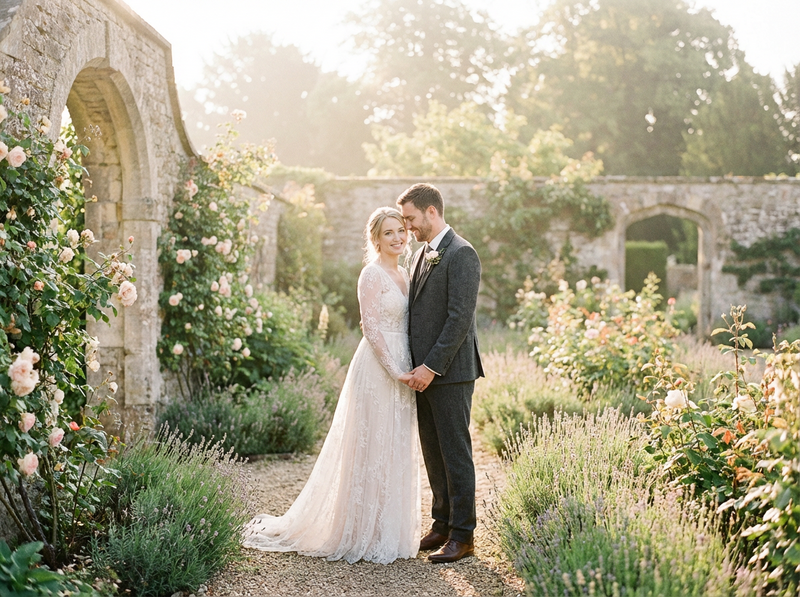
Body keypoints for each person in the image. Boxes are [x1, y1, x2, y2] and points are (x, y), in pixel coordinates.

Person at [242, 207, 421, 565]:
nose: (398, 238)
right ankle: (359, 531)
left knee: (394, 444)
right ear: (375, 239)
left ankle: (387, 528)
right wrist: (394, 371)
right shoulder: (371, 275)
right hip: (378, 368)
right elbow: (370, 329)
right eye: (389, 233)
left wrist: (410, 370)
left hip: (405, 366)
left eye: (400, 230)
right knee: (370, 445)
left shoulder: (404, 271)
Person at [397, 182, 484, 564]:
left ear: (432, 212)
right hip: (421, 373)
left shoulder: (462, 253)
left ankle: (464, 535)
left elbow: (458, 319)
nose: (408, 228)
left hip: (449, 371)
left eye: (411, 219)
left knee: (456, 452)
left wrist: (431, 367)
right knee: (433, 451)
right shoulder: (420, 255)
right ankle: (442, 523)